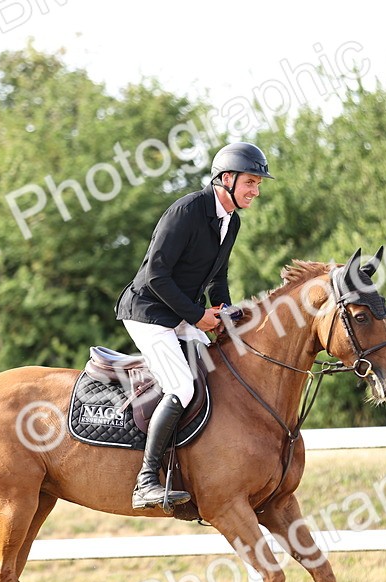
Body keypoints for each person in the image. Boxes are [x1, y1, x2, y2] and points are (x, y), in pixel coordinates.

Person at [115, 141, 274, 510]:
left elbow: (218, 277)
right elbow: (155, 275)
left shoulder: (231, 220)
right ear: (227, 179)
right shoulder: (187, 210)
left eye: (258, 184)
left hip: (181, 314)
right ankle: (145, 481)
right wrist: (197, 316)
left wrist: (226, 313)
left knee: (219, 375)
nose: (256, 190)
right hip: (148, 313)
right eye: (251, 182)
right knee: (183, 387)